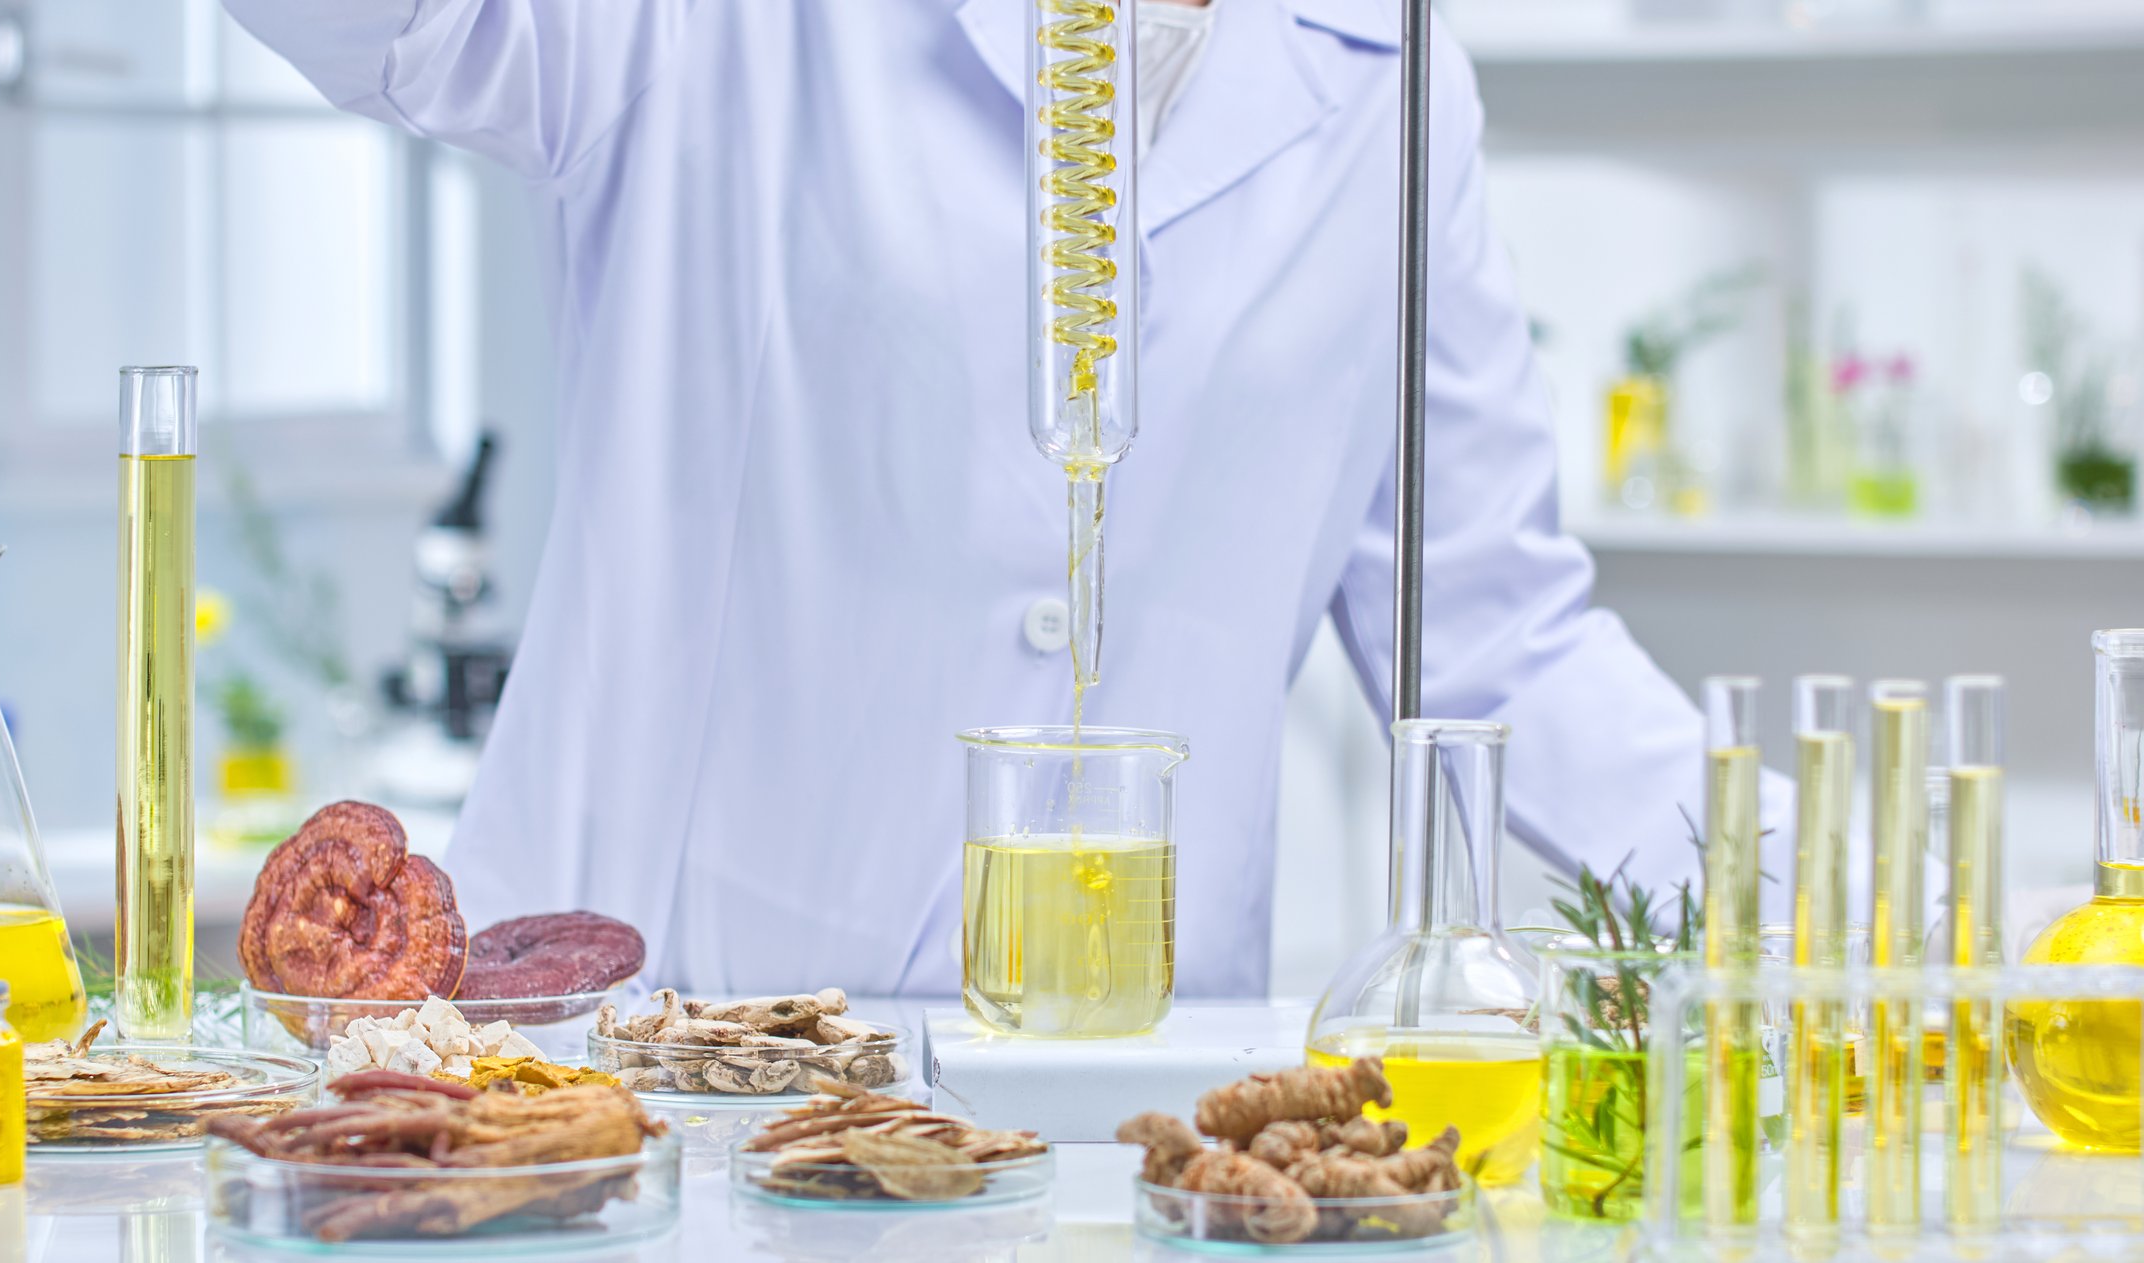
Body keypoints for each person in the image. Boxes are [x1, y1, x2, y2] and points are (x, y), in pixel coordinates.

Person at [227, 0, 1791, 996]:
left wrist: (1833, 888)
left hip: (1122, 1092)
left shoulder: (1388, 65)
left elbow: (1495, 633)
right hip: (664, 1074)